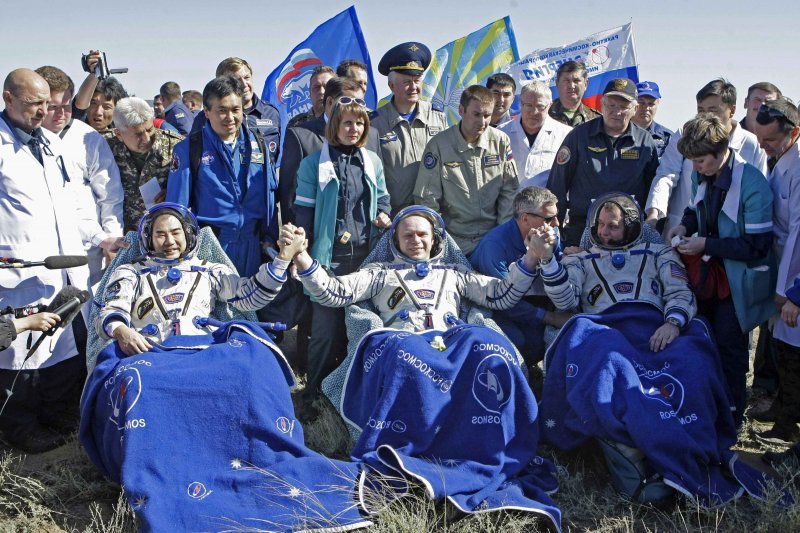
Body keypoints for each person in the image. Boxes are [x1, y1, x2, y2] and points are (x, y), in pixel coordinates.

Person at [531, 192, 773, 506]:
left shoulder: (659, 253)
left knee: (694, 360)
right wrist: (549, 260)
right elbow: (565, 299)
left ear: (631, 226)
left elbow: (679, 291)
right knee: (605, 358)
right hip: (608, 330)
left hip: (656, 328)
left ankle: (690, 442)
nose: (604, 232)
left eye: (614, 226)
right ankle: (632, 439)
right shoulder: (579, 257)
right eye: (601, 225)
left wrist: (673, 323)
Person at [0, 68, 127, 453]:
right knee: (17, 350)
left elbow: (73, 205)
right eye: (33, 104)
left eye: (47, 104)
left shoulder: (52, 144)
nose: (43, 112)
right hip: (15, 268)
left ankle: (57, 415)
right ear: (8, 99)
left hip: (62, 265)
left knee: (61, 342)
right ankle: (18, 427)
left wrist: (100, 237)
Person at [668, 113, 775, 426]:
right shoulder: (701, 174)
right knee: (701, 341)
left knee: (731, 349)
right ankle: (705, 409)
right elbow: (694, 208)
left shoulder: (752, 183)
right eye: (693, 162)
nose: (696, 167)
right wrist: (683, 226)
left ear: (721, 152)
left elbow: (756, 246)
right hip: (707, 278)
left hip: (738, 283)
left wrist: (705, 244)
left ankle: (731, 417)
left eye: (701, 161)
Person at [287, 204, 541, 330]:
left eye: (422, 234)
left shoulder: (455, 273)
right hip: (402, 348)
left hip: (453, 346)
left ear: (434, 239)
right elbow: (334, 291)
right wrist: (301, 256)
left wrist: (532, 256)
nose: (416, 241)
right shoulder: (379, 273)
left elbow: (502, 295)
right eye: (408, 235)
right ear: (395, 239)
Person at [97, 203, 296, 354]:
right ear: (148, 238)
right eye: (160, 234)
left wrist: (282, 259)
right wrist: (122, 331)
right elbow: (111, 311)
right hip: (149, 352)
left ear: (189, 235)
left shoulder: (209, 270)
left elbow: (250, 296)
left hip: (203, 352)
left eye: (176, 232)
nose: (170, 241)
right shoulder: (130, 272)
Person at [293, 96, 391, 401]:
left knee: (362, 328)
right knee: (324, 330)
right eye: (347, 122)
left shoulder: (372, 160)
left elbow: (384, 197)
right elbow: (303, 214)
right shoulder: (313, 164)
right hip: (328, 260)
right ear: (334, 125)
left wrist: (384, 213)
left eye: (360, 122)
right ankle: (314, 394)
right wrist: (302, 257)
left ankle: (355, 392)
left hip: (365, 259)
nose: (354, 128)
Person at [167, 76, 278, 279]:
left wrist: (271, 237)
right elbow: (176, 208)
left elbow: (269, 197)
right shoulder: (189, 149)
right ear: (207, 113)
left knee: (253, 306)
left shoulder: (259, 144)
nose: (230, 117)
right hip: (212, 248)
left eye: (235, 110)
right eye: (222, 110)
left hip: (253, 246)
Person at [36, 65, 124, 284]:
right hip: (43, 252)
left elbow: (110, 195)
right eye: (52, 107)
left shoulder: (89, 139)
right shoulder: (22, 142)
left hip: (90, 250)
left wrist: (111, 237)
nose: (61, 114)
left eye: (66, 106)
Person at [645, 78, 768, 235]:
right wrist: (654, 212)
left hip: (732, 237)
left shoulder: (752, 144)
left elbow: (759, 191)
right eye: (700, 110)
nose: (705, 117)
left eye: (712, 110)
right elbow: (666, 175)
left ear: (732, 110)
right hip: (683, 228)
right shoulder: (685, 134)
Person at [547, 78, 660, 246]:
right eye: (611, 105)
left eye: (624, 107)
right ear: (602, 104)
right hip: (582, 229)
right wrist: (555, 229)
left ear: (635, 109)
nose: (617, 112)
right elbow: (557, 185)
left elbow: (654, 188)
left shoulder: (645, 142)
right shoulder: (578, 136)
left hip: (630, 233)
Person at [470, 186, 571, 367]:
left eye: (557, 216)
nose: (557, 223)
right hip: (495, 309)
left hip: (533, 303)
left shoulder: (550, 233)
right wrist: (550, 317)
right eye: (549, 218)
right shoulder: (494, 246)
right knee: (524, 342)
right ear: (525, 218)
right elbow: (503, 302)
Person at [414, 84, 518, 255]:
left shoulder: (500, 141)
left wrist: (502, 233)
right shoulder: (439, 145)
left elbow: (509, 191)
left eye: (487, 115)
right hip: (453, 238)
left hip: (492, 236)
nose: (482, 122)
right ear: (461, 110)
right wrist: (439, 236)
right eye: (476, 114)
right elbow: (427, 197)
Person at [751, 98, 800, 444]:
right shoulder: (778, 161)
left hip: (795, 278)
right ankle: (782, 409)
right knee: (781, 348)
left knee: (793, 353)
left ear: (794, 133)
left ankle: (788, 427)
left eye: (770, 141)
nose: (763, 146)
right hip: (782, 270)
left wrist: (789, 290)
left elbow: (799, 233)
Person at [279, 77, 381, 224]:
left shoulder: (371, 135)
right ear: (330, 102)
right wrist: (298, 238)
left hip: (363, 238)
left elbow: (379, 191)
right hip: (318, 236)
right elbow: (290, 195)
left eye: (360, 102)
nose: (355, 108)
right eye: (348, 101)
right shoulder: (300, 136)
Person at [371, 41, 447, 214]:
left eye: (417, 80)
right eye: (406, 82)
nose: (413, 87)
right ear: (391, 86)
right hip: (394, 215)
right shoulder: (375, 123)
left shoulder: (437, 117)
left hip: (434, 211)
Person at [106, 97, 183, 234]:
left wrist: (173, 191)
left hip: (162, 234)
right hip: (121, 235)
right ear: (119, 134)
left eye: (149, 130)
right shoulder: (104, 147)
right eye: (138, 134)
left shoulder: (176, 146)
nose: (147, 139)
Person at [191, 57, 281, 165]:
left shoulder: (271, 113)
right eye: (236, 80)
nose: (244, 84)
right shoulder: (206, 117)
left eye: (247, 77)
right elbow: (194, 158)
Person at [499, 81, 571, 189]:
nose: (534, 112)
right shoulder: (501, 132)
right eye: (528, 105)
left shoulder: (566, 134)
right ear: (520, 103)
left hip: (546, 203)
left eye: (540, 106)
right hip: (509, 203)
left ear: (549, 105)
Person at [548, 61, 600, 127]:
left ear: (586, 84)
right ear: (557, 83)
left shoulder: (596, 120)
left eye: (576, 81)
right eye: (566, 81)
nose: (571, 86)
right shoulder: (543, 114)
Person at [632, 81, 673, 159]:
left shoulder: (667, 137)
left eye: (651, 104)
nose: (646, 108)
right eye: (641, 102)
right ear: (632, 103)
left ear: (657, 104)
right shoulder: (618, 133)